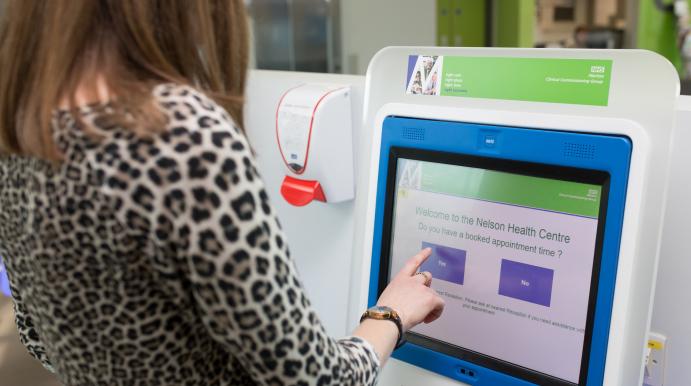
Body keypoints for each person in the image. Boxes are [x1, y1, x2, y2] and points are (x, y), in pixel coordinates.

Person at [0, 1, 445, 385]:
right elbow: (318, 380)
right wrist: (390, 314)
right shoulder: (179, 135)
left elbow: (39, 337)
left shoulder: (21, 126)